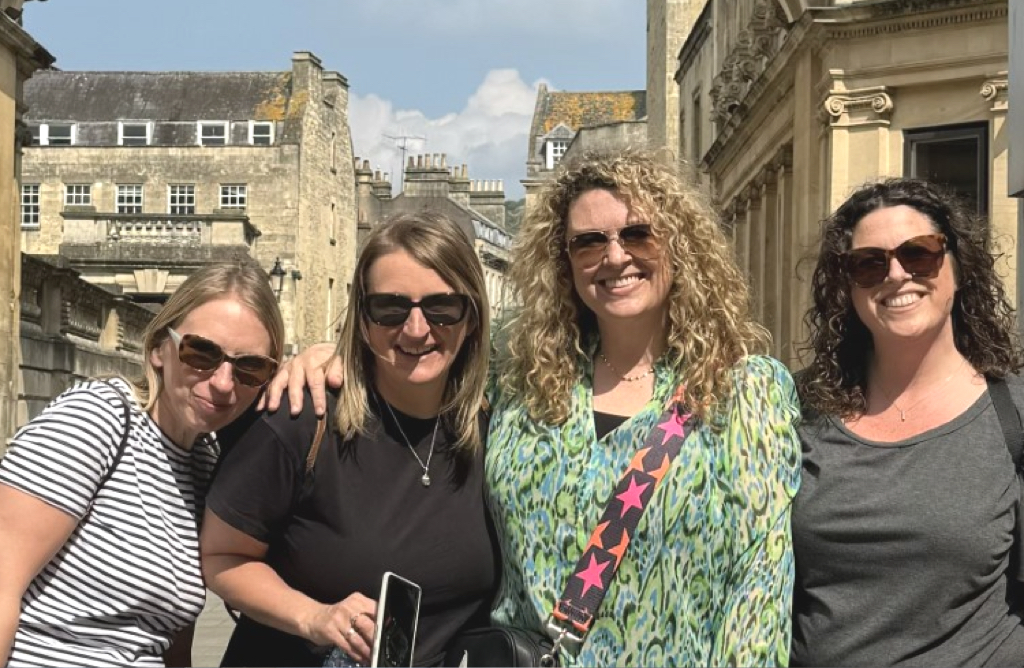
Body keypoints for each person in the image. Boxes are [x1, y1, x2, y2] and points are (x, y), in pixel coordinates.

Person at [270, 149, 802, 667]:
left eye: (637, 233)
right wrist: (330, 357)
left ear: (680, 245)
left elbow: (759, 588)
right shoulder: (520, 381)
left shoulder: (745, 391)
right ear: (563, 262)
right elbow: (418, 357)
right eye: (588, 242)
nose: (614, 257)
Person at [200, 212, 498, 667]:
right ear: (362, 318)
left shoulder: (492, 431)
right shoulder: (303, 418)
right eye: (390, 308)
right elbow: (221, 556)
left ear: (472, 317)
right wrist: (314, 617)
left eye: (442, 307)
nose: (416, 329)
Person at [0, 260, 285, 667]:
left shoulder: (205, 464)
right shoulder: (97, 420)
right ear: (158, 348)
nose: (223, 383)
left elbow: (168, 639)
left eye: (249, 367)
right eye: (201, 353)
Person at [791, 177, 1024, 666]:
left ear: (959, 269)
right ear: (848, 288)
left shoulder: (1015, 416)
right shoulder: (798, 411)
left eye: (919, 254)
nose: (896, 275)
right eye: (869, 264)